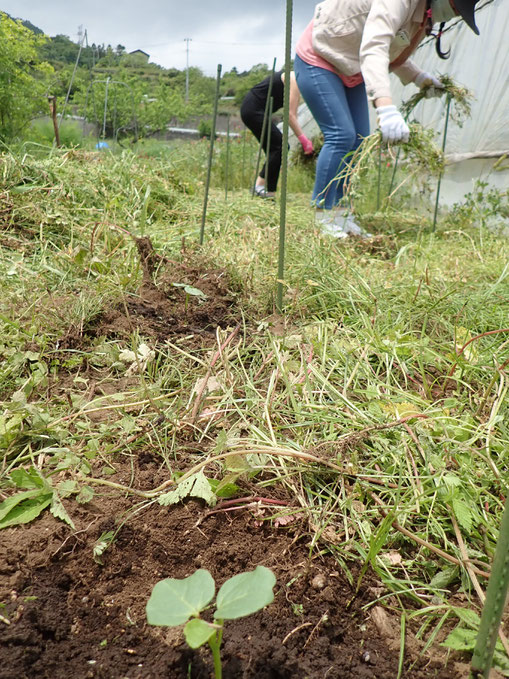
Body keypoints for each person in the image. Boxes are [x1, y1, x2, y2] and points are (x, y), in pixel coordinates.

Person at [294, 0, 482, 236]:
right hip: (320, 56)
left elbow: (396, 51)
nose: (455, 14)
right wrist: (385, 108)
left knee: (359, 140)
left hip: (350, 67)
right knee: (341, 135)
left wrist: (419, 78)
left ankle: (340, 215)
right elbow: (375, 46)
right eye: (456, 8)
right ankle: (321, 216)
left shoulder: (424, 17)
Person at [241, 70, 314, 198]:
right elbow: (290, 116)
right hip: (252, 110)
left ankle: (269, 192)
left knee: (277, 149)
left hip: (254, 110)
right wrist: (304, 140)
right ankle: (259, 186)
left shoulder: (296, 80)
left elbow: (293, 115)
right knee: (280, 146)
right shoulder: (294, 80)